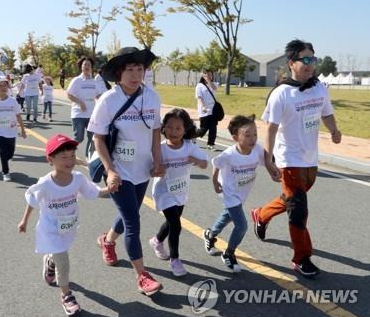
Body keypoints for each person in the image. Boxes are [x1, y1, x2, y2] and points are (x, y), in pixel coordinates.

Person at [250, 39, 341, 278]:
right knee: (298, 209)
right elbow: (269, 129)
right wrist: (268, 160)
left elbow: (327, 113)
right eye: (306, 59)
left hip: (310, 158)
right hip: (288, 159)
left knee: (292, 199)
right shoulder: (281, 94)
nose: (311, 64)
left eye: (313, 59)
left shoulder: (320, 87)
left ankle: (261, 214)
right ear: (291, 63)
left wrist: (333, 130)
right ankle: (302, 257)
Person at [88, 47, 164, 295]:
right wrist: (110, 170)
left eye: (139, 69)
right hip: (119, 169)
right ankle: (142, 276)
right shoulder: (108, 101)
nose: (135, 74)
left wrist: (157, 159)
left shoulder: (152, 97)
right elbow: (98, 138)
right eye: (129, 70)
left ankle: (107, 240)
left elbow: (154, 130)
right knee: (132, 220)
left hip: (142, 168)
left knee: (129, 212)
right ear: (119, 74)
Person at [18, 134, 112, 317]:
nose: (69, 161)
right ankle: (66, 295)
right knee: (64, 261)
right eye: (63, 157)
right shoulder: (45, 184)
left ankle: (49, 261)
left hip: (68, 226)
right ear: (50, 160)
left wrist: (109, 188)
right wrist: (24, 220)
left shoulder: (77, 178)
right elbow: (32, 200)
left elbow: (93, 192)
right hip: (50, 229)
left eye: (72, 156)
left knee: (59, 254)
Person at [204, 115, 268, 273]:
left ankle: (210, 234)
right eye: (247, 135)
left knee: (228, 215)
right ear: (235, 137)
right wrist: (215, 182)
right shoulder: (229, 154)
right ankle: (229, 253)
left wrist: (274, 171)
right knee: (241, 225)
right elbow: (216, 164)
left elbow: (267, 160)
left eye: (255, 134)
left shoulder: (256, 149)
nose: (252, 138)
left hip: (242, 192)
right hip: (229, 192)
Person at [150, 108, 208, 276]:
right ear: (163, 128)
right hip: (164, 191)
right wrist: (157, 170)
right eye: (169, 127)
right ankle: (175, 260)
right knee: (176, 224)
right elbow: (150, 170)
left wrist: (195, 160)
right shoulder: (159, 149)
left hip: (181, 191)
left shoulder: (189, 146)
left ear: (185, 129)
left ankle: (157, 240)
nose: (173, 131)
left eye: (178, 128)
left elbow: (205, 163)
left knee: (171, 222)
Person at [67, 57, 104, 159]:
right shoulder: (77, 80)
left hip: (91, 115)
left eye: (89, 65)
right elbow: (69, 94)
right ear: (81, 67)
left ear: (91, 68)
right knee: (78, 138)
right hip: (78, 114)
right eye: (85, 65)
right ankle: (67, 151)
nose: (87, 67)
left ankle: (89, 156)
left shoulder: (94, 82)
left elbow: (98, 96)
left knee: (92, 138)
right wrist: (80, 103)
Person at [195, 70, 219, 150]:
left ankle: (211, 144)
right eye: (206, 74)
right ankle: (192, 136)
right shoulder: (199, 86)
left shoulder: (214, 84)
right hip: (204, 110)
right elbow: (199, 98)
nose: (209, 76)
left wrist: (208, 80)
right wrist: (203, 106)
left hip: (214, 110)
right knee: (203, 129)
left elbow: (214, 89)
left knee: (213, 128)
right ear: (203, 75)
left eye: (210, 74)